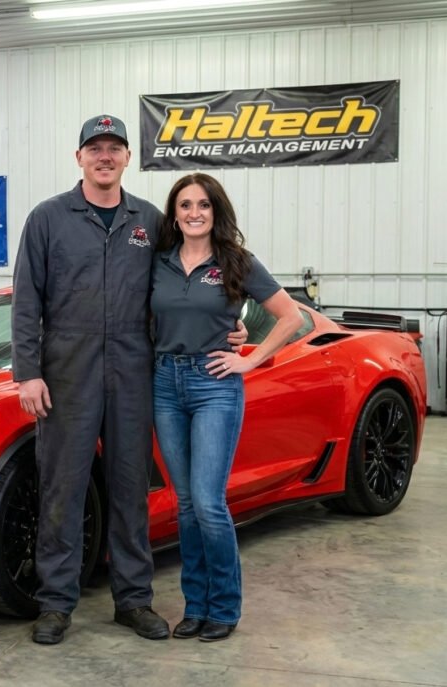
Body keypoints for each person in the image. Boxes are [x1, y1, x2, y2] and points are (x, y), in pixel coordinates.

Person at [11, 116, 245, 645]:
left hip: (138, 373)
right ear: (79, 158)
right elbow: (27, 302)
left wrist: (227, 325)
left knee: (129, 491)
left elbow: (188, 281)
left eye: (114, 148)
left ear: (126, 159)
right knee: (62, 488)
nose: (105, 156)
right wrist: (27, 374)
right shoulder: (48, 218)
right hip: (67, 373)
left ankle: (133, 599)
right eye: (95, 148)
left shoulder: (151, 221)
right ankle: (55, 604)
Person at [150, 172, 303, 642]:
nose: (194, 213)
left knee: (211, 503)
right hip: (163, 383)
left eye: (203, 204)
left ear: (216, 211)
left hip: (214, 385)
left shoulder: (237, 261)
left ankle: (225, 607)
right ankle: (194, 606)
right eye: (184, 205)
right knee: (187, 505)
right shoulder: (158, 263)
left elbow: (291, 316)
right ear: (174, 214)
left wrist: (250, 356)